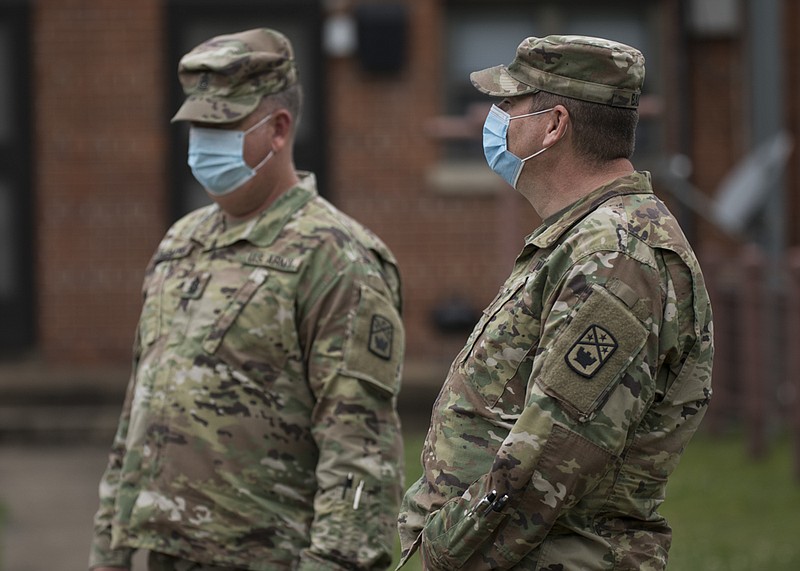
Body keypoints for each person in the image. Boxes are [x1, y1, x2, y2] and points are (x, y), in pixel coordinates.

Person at [89, 28, 405, 571]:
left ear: (277, 129)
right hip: (164, 554)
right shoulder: (181, 242)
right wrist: (108, 552)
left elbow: (360, 450)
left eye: (219, 127)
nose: (202, 143)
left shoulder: (336, 257)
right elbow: (140, 410)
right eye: (196, 127)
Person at [397, 35, 713, 570]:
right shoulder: (581, 241)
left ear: (553, 124)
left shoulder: (616, 254)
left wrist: (442, 552)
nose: (494, 118)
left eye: (510, 104)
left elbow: (552, 453)